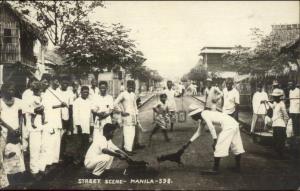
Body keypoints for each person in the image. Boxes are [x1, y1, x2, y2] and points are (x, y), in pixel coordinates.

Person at [185, 104, 245, 174]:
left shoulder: (204, 114)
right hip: (234, 124)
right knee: (236, 145)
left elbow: (211, 127)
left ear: (196, 114)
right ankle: (238, 167)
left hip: (228, 126)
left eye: (192, 116)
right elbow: (198, 133)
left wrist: (215, 140)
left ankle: (215, 169)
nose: (192, 118)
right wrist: (188, 143)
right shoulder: (203, 117)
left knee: (218, 146)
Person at [0, 83, 26, 180]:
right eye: (10, 89)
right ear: (4, 90)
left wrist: (19, 127)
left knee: (16, 152)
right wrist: (10, 129)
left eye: (13, 89)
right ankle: (5, 177)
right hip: (4, 131)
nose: (12, 91)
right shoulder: (1, 102)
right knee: (6, 153)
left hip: (16, 130)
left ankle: (16, 175)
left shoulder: (18, 101)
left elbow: (20, 115)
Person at [41, 76, 67, 168]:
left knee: (56, 140)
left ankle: (54, 160)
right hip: (50, 119)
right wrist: (60, 105)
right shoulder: (47, 92)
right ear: (51, 81)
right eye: (56, 81)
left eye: (58, 81)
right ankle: (48, 161)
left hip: (57, 119)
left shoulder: (58, 92)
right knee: (50, 141)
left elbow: (61, 107)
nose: (58, 83)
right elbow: (47, 106)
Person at [114, 80, 139, 155]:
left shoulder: (133, 94)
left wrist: (136, 115)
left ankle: (129, 148)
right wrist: (121, 112)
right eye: (129, 85)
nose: (131, 87)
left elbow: (135, 106)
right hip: (126, 115)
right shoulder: (123, 94)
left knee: (132, 133)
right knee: (127, 132)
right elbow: (115, 103)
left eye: (132, 85)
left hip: (133, 115)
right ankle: (127, 150)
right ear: (127, 86)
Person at [73, 86, 94, 165]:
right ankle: (76, 159)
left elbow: (91, 114)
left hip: (87, 126)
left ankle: (82, 158)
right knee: (79, 143)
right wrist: (78, 126)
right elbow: (75, 115)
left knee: (85, 143)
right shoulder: (77, 101)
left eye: (87, 92)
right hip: (79, 126)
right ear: (81, 92)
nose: (86, 93)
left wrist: (91, 124)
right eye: (84, 92)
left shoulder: (89, 101)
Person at [266, 89, 289, 158]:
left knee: (280, 141)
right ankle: (278, 154)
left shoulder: (282, 104)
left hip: (281, 125)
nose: (274, 98)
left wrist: (285, 125)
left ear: (279, 97)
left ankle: (281, 155)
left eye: (275, 97)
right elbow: (272, 106)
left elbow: (286, 116)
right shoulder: (275, 103)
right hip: (275, 124)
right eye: (274, 97)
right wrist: (266, 102)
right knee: (275, 140)